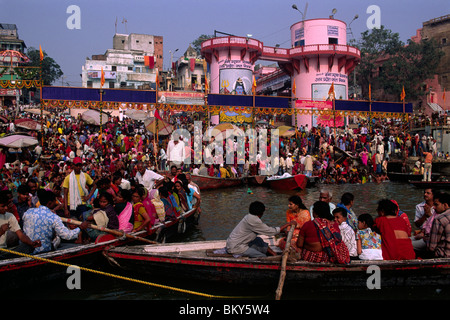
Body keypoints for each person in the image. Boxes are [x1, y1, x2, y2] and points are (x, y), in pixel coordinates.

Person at [22, 189, 89, 254]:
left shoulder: (28, 212)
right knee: (76, 247)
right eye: (55, 201)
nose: (56, 203)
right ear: (50, 203)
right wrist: (80, 228)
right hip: (44, 250)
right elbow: (67, 235)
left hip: (28, 249)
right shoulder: (53, 217)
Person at [226, 201, 292, 258]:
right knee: (262, 257)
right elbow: (271, 232)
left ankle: (274, 254)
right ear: (261, 213)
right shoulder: (254, 220)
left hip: (234, 243)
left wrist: (282, 230)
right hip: (236, 248)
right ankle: (271, 258)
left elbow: (265, 228)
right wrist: (288, 224)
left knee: (258, 240)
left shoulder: (249, 217)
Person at [0, 192, 41, 258]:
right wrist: (1, 232)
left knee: (27, 247)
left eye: (6, 205)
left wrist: (31, 243)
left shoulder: (9, 216)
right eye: (2, 206)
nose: (6, 208)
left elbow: (21, 235)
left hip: (4, 251)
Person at [427, 192, 450, 257]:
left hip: (444, 255)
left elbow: (432, 247)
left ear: (445, 205)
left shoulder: (439, 219)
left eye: (436, 205)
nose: (434, 207)